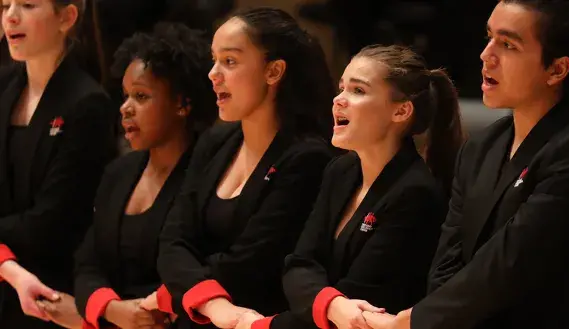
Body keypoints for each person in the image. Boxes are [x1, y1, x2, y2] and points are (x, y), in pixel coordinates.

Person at [360, 1, 569, 329]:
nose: (487, 55)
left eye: (508, 44)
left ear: (557, 69)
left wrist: (410, 322)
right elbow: (447, 261)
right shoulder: (483, 145)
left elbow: (509, 264)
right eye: (489, 38)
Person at [233, 44, 464, 329]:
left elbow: (362, 307)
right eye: (342, 88)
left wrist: (262, 326)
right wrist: (332, 304)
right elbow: (298, 265)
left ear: (401, 111)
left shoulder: (416, 194)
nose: (338, 100)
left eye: (358, 91)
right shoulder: (341, 170)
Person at [146, 7, 336, 329]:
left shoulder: (307, 158)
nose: (213, 73)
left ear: (273, 72)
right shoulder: (216, 140)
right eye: (214, 59)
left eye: (230, 61)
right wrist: (209, 302)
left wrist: (177, 293)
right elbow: (173, 239)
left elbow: (251, 265)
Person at [31, 22, 218, 329]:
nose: (125, 108)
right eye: (125, 95)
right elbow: (87, 262)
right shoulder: (119, 172)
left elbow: (195, 272)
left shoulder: (206, 175)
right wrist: (111, 309)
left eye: (141, 97)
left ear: (182, 104)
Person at [0, 0, 117, 327]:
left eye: (27, 4)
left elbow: (51, 225)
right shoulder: (3, 86)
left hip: (48, 297)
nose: (10, 16)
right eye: (4, 5)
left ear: (66, 18)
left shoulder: (88, 104)